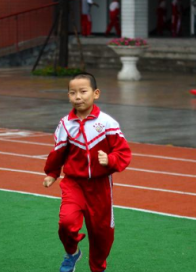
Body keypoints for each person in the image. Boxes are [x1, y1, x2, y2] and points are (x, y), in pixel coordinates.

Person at [43, 73, 131, 272]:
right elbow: (58, 151)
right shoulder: (65, 124)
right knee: (66, 223)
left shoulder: (107, 123)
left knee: (102, 234)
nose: (78, 97)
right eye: (73, 93)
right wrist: (52, 173)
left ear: (96, 93)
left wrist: (110, 160)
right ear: (68, 96)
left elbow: (123, 152)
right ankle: (72, 252)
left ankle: (97, 267)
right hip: (74, 183)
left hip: (100, 188)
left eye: (83, 92)